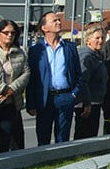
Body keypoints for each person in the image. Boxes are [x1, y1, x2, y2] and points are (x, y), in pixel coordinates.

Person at [25, 11, 82, 145]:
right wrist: (31, 103)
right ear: (44, 28)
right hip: (45, 98)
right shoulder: (36, 50)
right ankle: (43, 161)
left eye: (58, 20)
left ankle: (61, 161)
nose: (58, 22)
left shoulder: (70, 48)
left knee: (63, 136)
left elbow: (78, 74)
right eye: (54, 21)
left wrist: (74, 94)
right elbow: (31, 79)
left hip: (65, 96)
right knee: (43, 135)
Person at [0, 19, 29, 152]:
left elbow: (26, 73)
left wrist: (11, 89)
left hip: (11, 102)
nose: (9, 35)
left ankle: (2, 165)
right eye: (6, 32)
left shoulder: (20, 53)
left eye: (13, 33)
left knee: (6, 138)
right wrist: (3, 89)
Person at [74, 26, 107, 139]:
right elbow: (82, 80)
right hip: (87, 104)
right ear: (88, 40)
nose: (100, 41)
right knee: (84, 135)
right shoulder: (86, 56)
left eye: (102, 38)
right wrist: (87, 104)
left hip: (94, 102)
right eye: (97, 38)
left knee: (91, 134)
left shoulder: (96, 55)